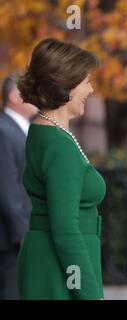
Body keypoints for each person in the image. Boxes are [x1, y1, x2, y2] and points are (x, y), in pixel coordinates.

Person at [16, 38, 105, 300]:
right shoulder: (58, 145)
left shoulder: (43, 130)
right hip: (59, 270)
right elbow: (65, 230)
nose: (90, 89)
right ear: (66, 85)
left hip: (52, 263)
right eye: (86, 82)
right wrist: (90, 294)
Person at [0, 76, 37, 300]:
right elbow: (7, 188)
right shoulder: (3, 131)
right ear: (14, 97)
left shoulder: (22, 130)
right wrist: (23, 234)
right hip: (11, 238)